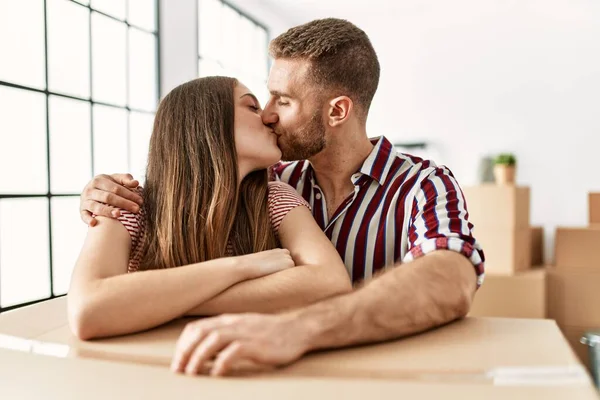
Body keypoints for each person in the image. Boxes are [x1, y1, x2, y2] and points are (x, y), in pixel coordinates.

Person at [79, 18, 485, 376]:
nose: (269, 114)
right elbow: (190, 175)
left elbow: (450, 278)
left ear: (338, 112)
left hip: (380, 375)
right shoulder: (265, 179)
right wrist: (100, 195)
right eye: (263, 99)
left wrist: (298, 328)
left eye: (283, 101)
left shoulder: (423, 183)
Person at [67, 76, 351, 343]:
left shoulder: (275, 199)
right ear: (206, 122)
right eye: (252, 106)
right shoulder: (128, 204)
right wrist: (242, 267)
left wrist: (157, 302)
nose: (267, 117)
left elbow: (332, 282)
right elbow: (87, 311)